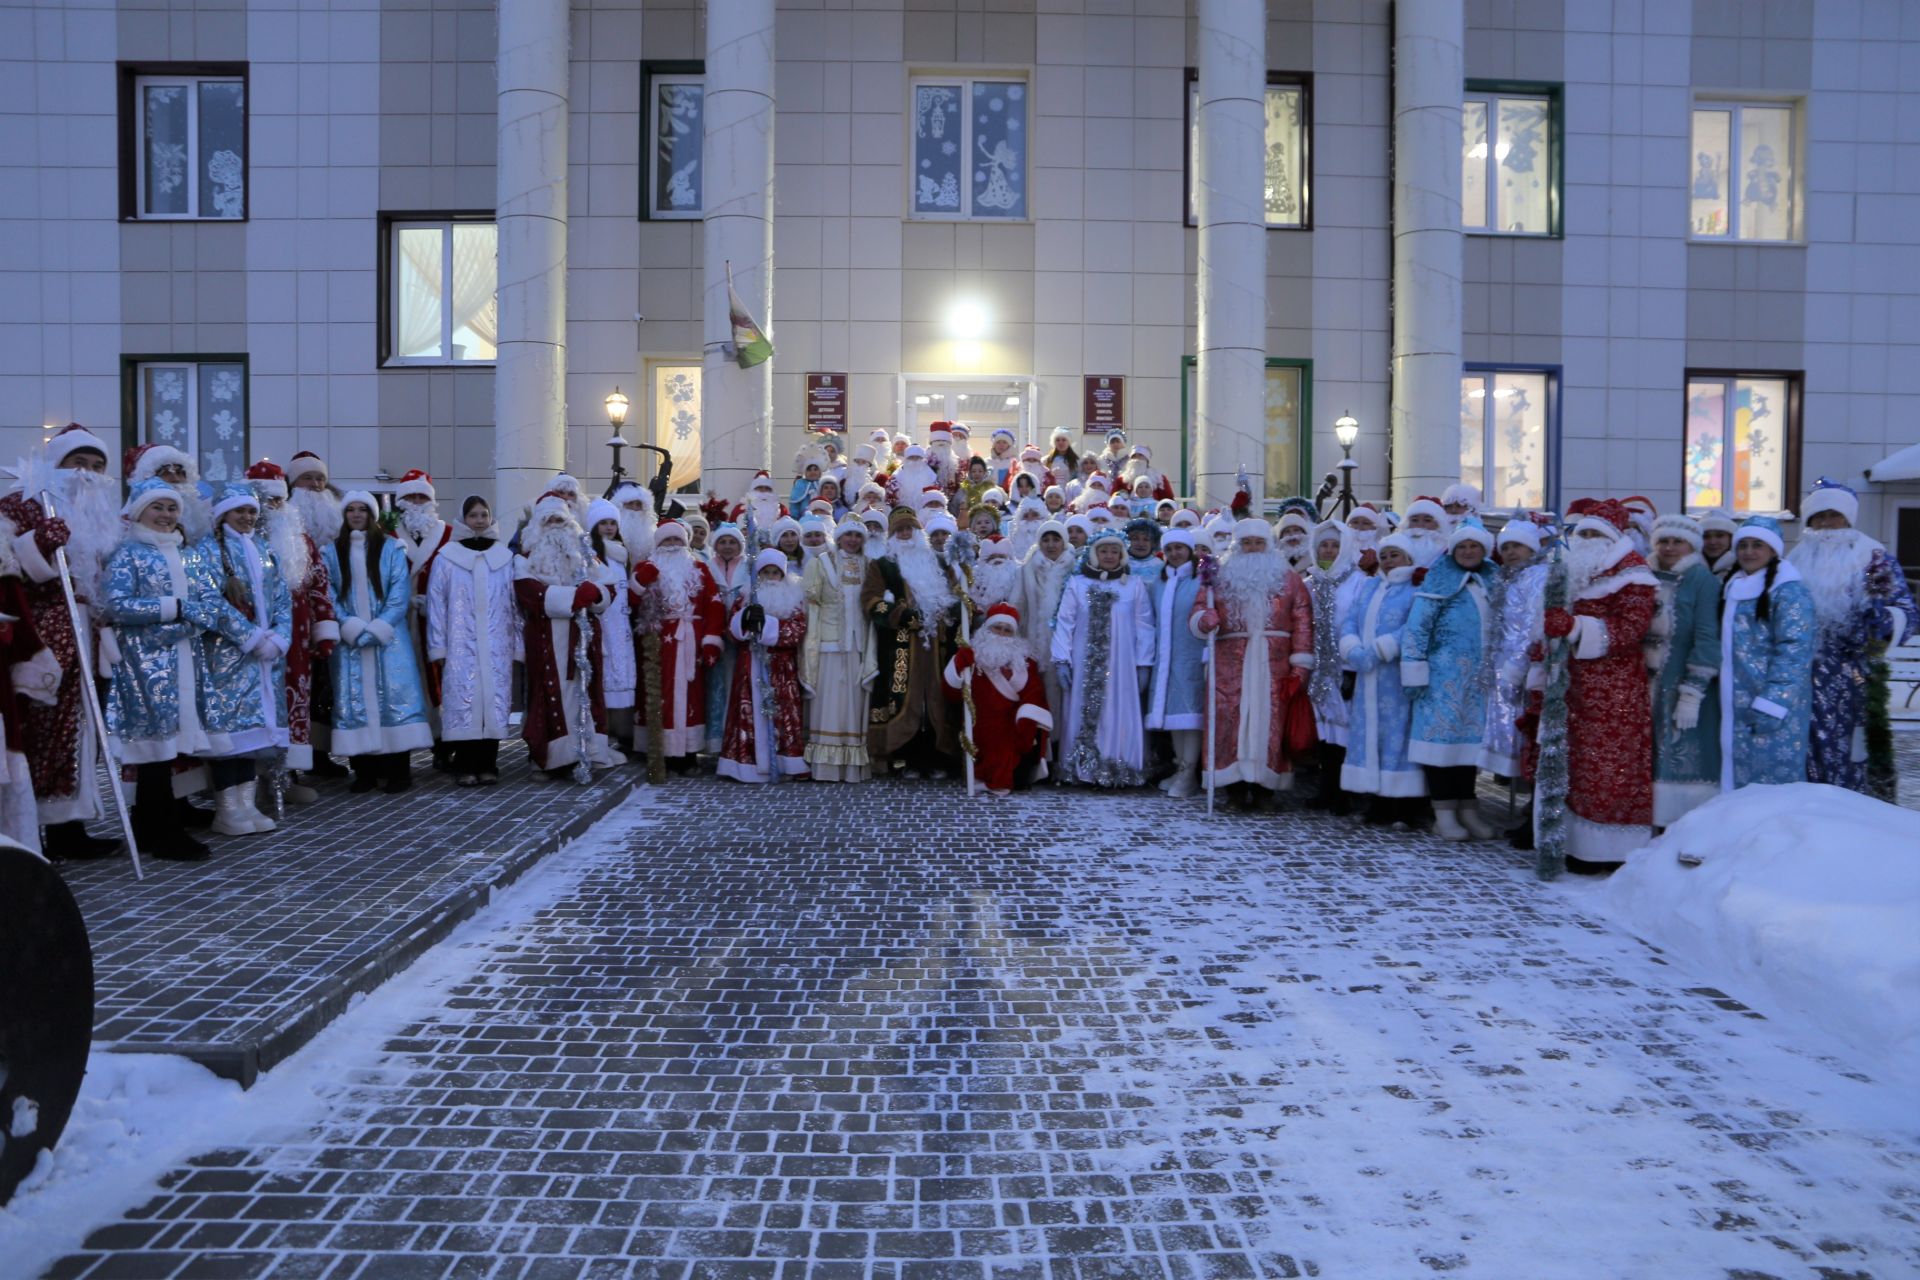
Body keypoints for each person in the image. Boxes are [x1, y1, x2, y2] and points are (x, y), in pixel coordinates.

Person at [101, 480, 250, 861]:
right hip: (146, 663)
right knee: (155, 747)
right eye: (158, 508)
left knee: (170, 747)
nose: (166, 515)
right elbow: (117, 606)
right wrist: (175, 611)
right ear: (140, 511)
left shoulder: (188, 554)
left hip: (185, 656)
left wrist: (188, 619)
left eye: (171, 508)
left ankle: (155, 826)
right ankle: (163, 830)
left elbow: (206, 602)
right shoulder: (128, 553)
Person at [1, 424, 122, 859]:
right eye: (79, 463)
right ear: (58, 466)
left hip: (86, 631)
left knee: (79, 732)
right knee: (42, 729)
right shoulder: (25, 504)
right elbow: (6, 562)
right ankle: (30, 831)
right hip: (42, 634)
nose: (88, 473)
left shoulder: (98, 512)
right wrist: (37, 544)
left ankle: (70, 829)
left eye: (97, 465)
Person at [1544, 500, 1658, 872]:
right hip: (1572, 686)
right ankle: (1574, 844)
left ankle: (1608, 850)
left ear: (1613, 539)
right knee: (1575, 764)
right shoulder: (1574, 573)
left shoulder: (1634, 576)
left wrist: (1575, 628)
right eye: (1584, 533)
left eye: (1596, 533)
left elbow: (1630, 630)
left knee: (1611, 767)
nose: (1588, 539)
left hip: (1616, 688)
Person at [1787, 479, 1920, 797]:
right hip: (1801, 672)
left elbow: (1906, 610)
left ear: (1848, 517)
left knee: (1852, 748)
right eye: (1819, 516)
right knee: (1804, 744)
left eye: (1834, 515)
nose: (1827, 523)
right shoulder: (1795, 558)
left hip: (1855, 673)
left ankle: (1851, 812)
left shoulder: (1873, 556)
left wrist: (1884, 620)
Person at [1191, 519, 1315, 807]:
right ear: (1238, 545)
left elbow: (1303, 622)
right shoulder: (1218, 577)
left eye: (1259, 542)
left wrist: (1300, 666)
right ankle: (1232, 786)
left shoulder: (1289, 579)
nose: (1253, 548)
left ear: (1268, 545)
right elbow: (1201, 608)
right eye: (1247, 543)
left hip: (1274, 663)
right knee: (1229, 720)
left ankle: (1264, 788)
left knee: (1270, 721)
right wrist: (1204, 619)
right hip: (1229, 661)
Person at [196, 483, 294, 834]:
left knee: (254, 732)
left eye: (252, 511)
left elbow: (282, 596)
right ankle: (227, 808)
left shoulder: (265, 548)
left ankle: (247, 804)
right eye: (240, 510)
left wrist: (280, 637)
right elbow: (208, 600)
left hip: (265, 658)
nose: (247, 517)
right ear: (224, 513)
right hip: (228, 655)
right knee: (230, 733)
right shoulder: (207, 551)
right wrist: (249, 636)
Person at [322, 491, 435, 793]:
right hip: (351, 644)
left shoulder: (391, 549)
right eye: (351, 510)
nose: (357, 515)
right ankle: (364, 772)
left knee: (395, 702)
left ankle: (398, 771)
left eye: (363, 510)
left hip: (389, 641)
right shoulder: (331, 553)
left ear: (372, 515)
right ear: (344, 516)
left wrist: (380, 627)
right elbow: (329, 593)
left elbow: (400, 593)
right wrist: (351, 626)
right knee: (354, 703)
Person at [1401, 519, 1499, 841]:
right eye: (1462, 546)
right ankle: (1443, 813)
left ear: (1484, 550)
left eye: (1474, 546)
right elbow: (1417, 629)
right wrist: (1415, 670)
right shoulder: (1437, 580)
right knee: (1440, 746)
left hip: (1478, 681)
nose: (1468, 552)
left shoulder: (1492, 581)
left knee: (1470, 748)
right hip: (1441, 680)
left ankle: (1468, 809)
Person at [247, 461, 337, 806]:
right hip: (254, 641)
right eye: (264, 502)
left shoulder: (301, 540)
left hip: (296, 641)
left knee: (294, 705)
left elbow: (318, 586)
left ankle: (287, 775)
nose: (272, 509)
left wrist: (323, 628)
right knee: (256, 708)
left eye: (277, 501)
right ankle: (251, 779)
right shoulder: (239, 540)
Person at [515, 493, 621, 778]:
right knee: (547, 693)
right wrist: (574, 597)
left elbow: (608, 585)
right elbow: (528, 592)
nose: (555, 525)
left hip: (582, 635)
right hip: (546, 636)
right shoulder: (526, 558)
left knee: (585, 692)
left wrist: (595, 593)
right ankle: (549, 758)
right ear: (538, 525)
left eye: (560, 520)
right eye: (549, 520)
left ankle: (587, 752)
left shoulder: (585, 555)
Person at [1051, 530, 1155, 787]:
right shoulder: (1078, 583)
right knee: (1083, 709)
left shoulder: (1134, 585)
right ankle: (1083, 767)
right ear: (1095, 554)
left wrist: (1144, 663)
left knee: (1119, 709)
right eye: (1104, 551)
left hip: (1122, 663)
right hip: (1084, 660)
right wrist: (1062, 659)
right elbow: (1065, 623)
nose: (1109, 556)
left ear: (1122, 554)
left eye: (1114, 551)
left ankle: (1118, 767)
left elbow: (1145, 626)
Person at [1719, 516, 1817, 790]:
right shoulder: (1733, 586)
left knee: (1772, 782)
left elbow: (1795, 650)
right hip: (1737, 704)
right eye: (1743, 545)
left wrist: (1774, 701)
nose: (1749, 552)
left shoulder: (1789, 591)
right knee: (1738, 776)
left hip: (1771, 705)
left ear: (1773, 550)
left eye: (1757, 545)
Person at [864, 508, 961, 779]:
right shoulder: (882, 565)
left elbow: (957, 597)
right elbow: (871, 601)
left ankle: (939, 757)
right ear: (892, 536)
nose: (906, 534)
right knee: (904, 699)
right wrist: (900, 614)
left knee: (936, 701)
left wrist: (949, 611)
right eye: (900, 530)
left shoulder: (940, 563)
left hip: (937, 648)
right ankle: (904, 757)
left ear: (919, 533)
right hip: (900, 648)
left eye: (910, 529)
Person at [426, 496, 516, 786]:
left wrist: (517, 644)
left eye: (484, 515)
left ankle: (489, 764)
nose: (479, 520)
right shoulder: (447, 557)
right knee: (463, 702)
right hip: (460, 644)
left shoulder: (504, 558)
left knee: (492, 702)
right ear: (463, 519)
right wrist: (438, 645)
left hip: (496, 643)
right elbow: (436, 604)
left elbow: (515, 604)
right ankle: (465, 765)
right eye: (473, 515)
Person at [1341, 534, 1426, 820]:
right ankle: (1374, 800)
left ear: (1408, 558)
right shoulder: (1370, 586)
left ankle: (1402, 805)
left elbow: (1414, 626)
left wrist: (1382, 649)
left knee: (1397, 735)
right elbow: (1351, 618)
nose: (1389, 561)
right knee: (1369, 736)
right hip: (1367, 677)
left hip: (1395, 676)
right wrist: (1352, 647)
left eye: (1395, 555)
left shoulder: (1415, 588)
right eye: (1385, 555)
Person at [1646, 514, 1723, 826]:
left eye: (1678, 541)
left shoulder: (1702, 580)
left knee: (1681, 750)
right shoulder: (1643, 576)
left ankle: (1681, 824)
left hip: (1680, 683)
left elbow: (1707, 636)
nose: (1670, 547)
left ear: (1691, 545)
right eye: (1664, 540)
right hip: (1644, 683)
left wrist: (1692, 691)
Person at [631, 518, 725, 771]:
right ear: (658, 543)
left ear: (685, 543)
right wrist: (640, 581)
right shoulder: (646, 566)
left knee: (691, 697)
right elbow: (630, 601)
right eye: (667, 540)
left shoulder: (699, 568)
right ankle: (658, 749)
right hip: (656, 641)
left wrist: (711, 640)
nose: (672, 545)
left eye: (677, 540)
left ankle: (687, 751)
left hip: (690, 640)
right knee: (657, 694)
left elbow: (714, 604)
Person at [718, 550, 810, 784]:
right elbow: (731, 629)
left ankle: (785, 763)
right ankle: (745, 765)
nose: (770, 577)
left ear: (783, 574)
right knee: (748, 711)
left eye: (775, 572)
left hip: (782, 667)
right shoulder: (746, 596)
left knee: (784, 713)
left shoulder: (795, 598)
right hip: (751, 663)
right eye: (765, 572)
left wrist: (767, 626)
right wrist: (746, 621)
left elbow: (797, 630)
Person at [944, 602, 1051, 796]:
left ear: (1014, 634)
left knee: (1005, 743)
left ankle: (1000, 781)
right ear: (987, 629)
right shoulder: (971, 655)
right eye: (997, 627)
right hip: (978, 720)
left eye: (1007, 630)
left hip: (1012, 721)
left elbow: (1034, 693)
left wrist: (1026, 721)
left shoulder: (1026, 661)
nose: (1001, 633)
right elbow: (950, 692)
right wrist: (959, 663)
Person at [800, 515, 877, 783]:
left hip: (859, 645)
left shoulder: (869, 565)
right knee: (829, 704)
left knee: (854, 705)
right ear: (839, 537)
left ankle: (853, 763)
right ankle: (826, 765)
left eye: (858, 536)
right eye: (848, 535)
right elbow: (812, 606)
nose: (853, 540)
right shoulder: (819, 563)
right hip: (829, 645)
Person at [285, 450, 347, 777]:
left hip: (331, 618)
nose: (315, 484)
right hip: (295, 622)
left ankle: (320, 754)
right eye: (307, 478)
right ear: (293, 484)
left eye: (320, 478)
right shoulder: (286, 521)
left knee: (325, 691)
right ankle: (294, 760)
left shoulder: (337, 520)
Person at [390, 470, 454, 769]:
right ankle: (403, 746)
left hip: (437, 622)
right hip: (400, 622)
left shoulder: (449, 534)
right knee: (405, 681)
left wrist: (439, 604)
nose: (416, 502)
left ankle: (444, 745)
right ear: (401, 501)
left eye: (422, 497)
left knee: (440, 681)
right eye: (411, 497)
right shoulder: (388, 535)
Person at [1302, 521, 1361, 814]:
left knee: (1345, 732)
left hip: (1346, 668)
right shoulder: (1309, 584)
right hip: (1317, 669)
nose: (1329, 549)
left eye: (1335, 545)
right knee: (1323, 733)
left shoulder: (1359, 582)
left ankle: (1344, 793)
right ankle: (1325, 790)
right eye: (1324, 544)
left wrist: (1351, 664)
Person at [1145, 528, 1207, 798]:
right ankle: (1180, 767)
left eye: (1180, 548)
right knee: (1173, 715)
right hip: (1166, 659)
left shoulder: (1202, 579)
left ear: (1190, 550)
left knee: (1190, 716)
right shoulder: (1159, 582)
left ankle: (1189, 771)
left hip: (1191, 656)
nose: (1174, 554)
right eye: (1169, 549)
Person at [585, 498, 638, 751]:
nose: (608, 528)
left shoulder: (621, 554)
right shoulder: (590, 554)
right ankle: (602, 731)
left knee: (623, 674)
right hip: (602, 624)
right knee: (603, 675)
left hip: (621, 625)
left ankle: (622, 731)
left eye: (612, 523)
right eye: (603, 523)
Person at [701, 524, 751, 756]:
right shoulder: (707, 567)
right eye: (723, 542)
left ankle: (740, 736)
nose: (728, 546)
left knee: (741, 685)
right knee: (717, 685)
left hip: (742, 636)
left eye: (733, 542)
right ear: (716, 545)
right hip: (717, 634)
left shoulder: (749, 566)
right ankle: (717, 739)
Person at [1699, 511, 1738, 580]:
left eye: (1719, 535)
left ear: (1731, 538)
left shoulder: (1742, 571)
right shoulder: (1687, 570)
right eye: (1706, 536)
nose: (1712, 542)